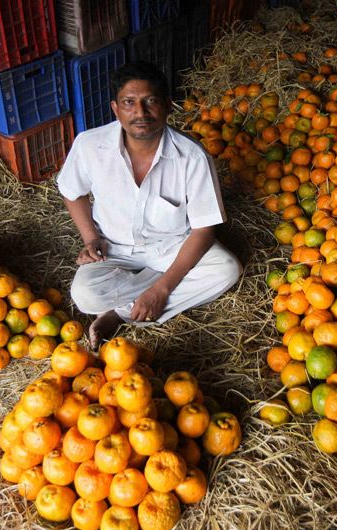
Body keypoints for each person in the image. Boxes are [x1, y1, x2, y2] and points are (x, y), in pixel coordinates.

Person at [57, 61, 242, 350]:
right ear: (116, 109)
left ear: (168, 106)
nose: (140, 113)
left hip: (172, 249)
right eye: (129, 103)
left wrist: (162, 289)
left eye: (150, 101)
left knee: (227, 269)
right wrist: (91, 238)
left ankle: (119, 313)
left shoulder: (192, 157)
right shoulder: (89, 145)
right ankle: (150, 292)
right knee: (85, 295)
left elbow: (205, 230)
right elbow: (72, 191)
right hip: (113, 249)